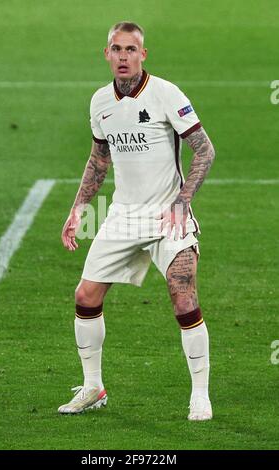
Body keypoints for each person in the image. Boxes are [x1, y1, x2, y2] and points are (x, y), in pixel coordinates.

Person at [59, 21, 215, 421]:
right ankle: (93, 387)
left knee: (182, 291)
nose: (123, 56)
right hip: (123, 216)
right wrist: (77, 210)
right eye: (117, 49)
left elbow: (204, 151)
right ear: (107, 54)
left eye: (131, 49)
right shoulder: (100, 103)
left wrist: (183, 201)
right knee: (85, 296)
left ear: (143, 55)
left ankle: (200, 394)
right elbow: (99, 160)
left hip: (167, 215)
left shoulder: (166, 93)